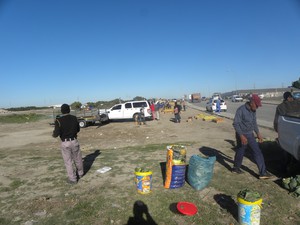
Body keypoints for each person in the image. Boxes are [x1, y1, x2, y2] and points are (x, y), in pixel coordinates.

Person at [232, 94, 273, 179]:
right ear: (251, 103)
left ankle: (263, 173)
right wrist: (241, 136)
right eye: (257, 105)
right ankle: (236, 168)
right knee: (240, 151)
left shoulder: (253, 110)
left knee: (257, 151)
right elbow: (236, 124)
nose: (257, 107)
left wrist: (258, 133)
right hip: (242, 135)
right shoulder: (241, 110)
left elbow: (254, 123)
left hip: (250, 135)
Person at [52, 104, 84, 184]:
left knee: (68, 161)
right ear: (69, 110)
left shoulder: (58, 120)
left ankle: (73, 179)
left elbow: (55, 134)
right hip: (74, 141)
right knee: (78, 158)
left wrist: (54, 133)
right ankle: (80, 174)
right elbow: (78, 130)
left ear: (62, 111)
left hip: (65, 143)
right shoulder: (74, 118)